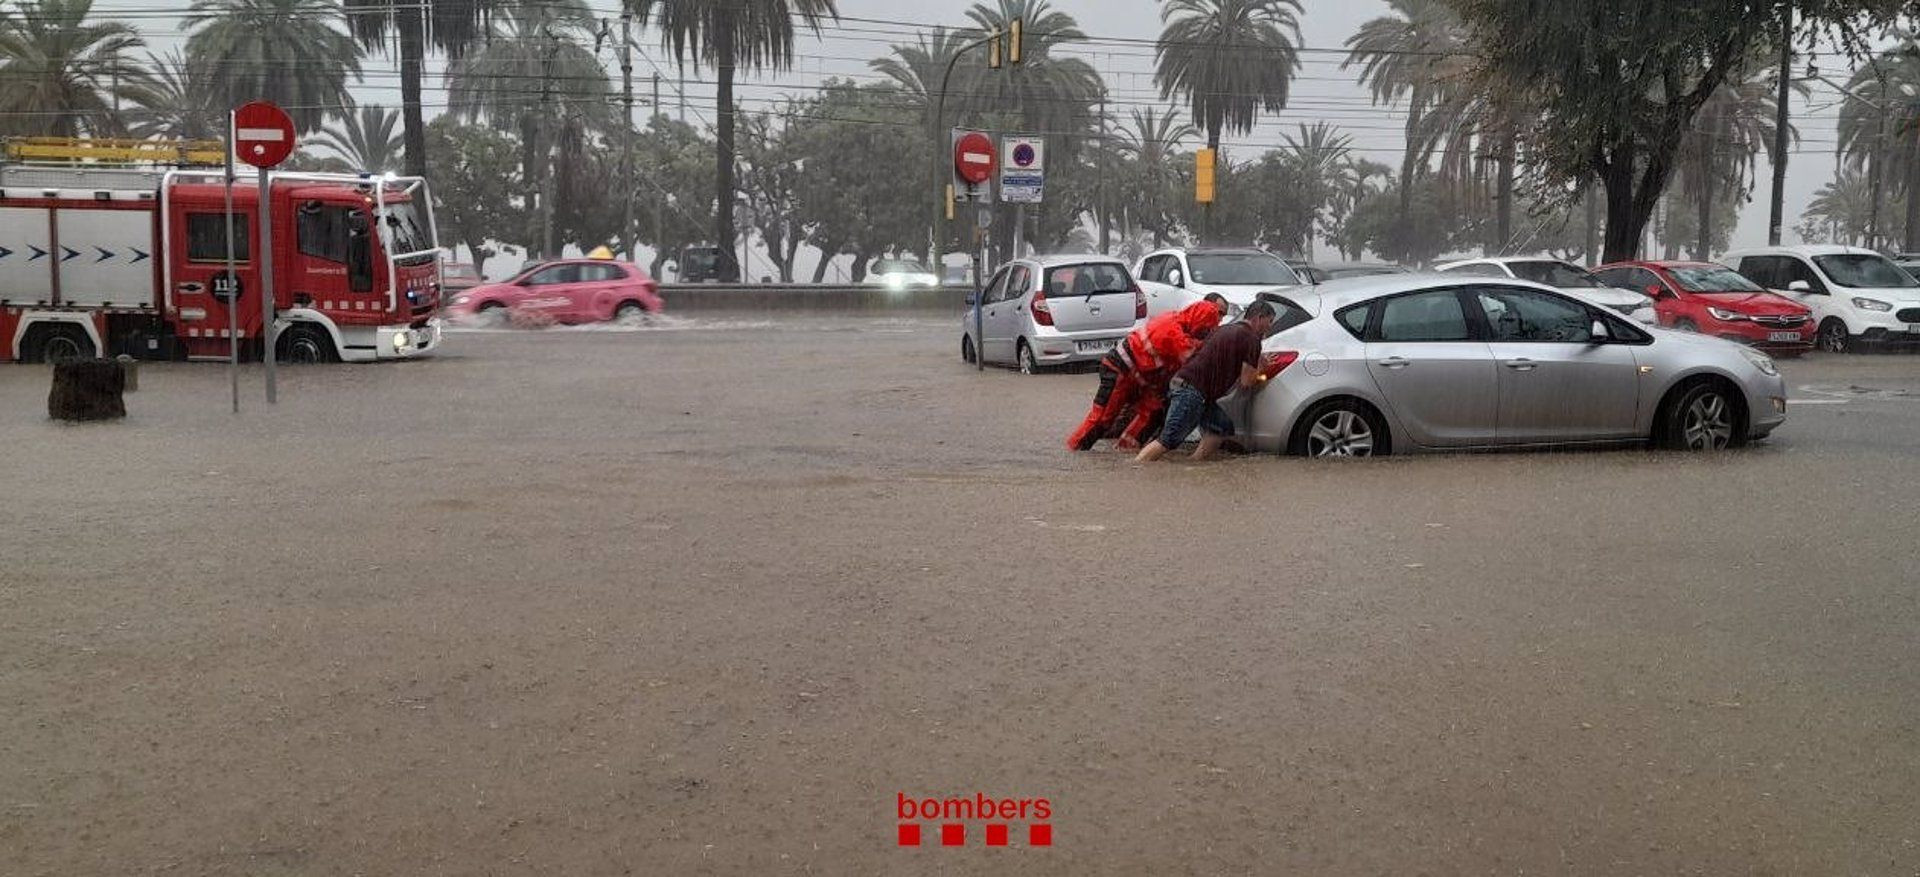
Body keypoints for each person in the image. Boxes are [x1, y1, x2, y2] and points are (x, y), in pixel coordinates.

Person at [1065, 293, 1226, 451]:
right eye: (1205, 330)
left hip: (1140, 377)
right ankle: (1075, 450)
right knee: (1102, 418)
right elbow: (1192, 357)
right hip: (1121, 370)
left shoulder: (1177, 322)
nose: (1204, 334)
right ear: (1198, 321)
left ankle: (1126, 450)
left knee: (1152, 409)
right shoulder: (1173, 331)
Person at [1135, 300, 1277, 463]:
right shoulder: (1252, 339)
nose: (1270, 326)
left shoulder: (1226, 329)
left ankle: (1193, 465)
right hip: (1192, 390)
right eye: (1270, 321)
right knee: (1168, 440)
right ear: (1259, 318)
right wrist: (1262, 368)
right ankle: (1136, 469)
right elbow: (1246, 382)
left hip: (1186, 384)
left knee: (1220, 427)